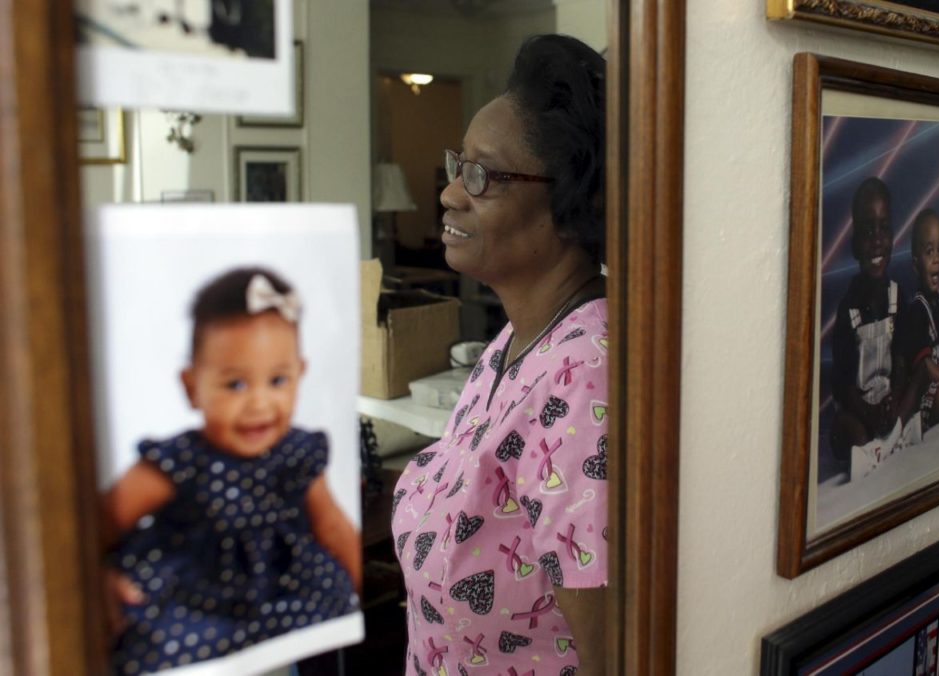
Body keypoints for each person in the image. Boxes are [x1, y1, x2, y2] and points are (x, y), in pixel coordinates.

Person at [390, 34, 609, 675]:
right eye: (458, 165)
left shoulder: (586, 378)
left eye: (481, 176)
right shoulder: (509, 348)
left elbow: (611, 656)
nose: (450, 194)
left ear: (568, 206)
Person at [103, 267, 361, 675]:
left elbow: (331, 525)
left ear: (300, 375)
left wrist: (353, 590)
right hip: (196, 599)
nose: (259, 403)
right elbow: (101, 521)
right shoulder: (183, 459)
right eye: (235, 385)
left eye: (277, 380)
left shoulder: (295, 451)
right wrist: (100, 576)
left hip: (280, 600)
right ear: (191, 386)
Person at [830, 177, 908, 466]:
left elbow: (900, 360)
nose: (876, 239)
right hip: (859, 409)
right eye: (867, 230)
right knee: (848, 430)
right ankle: (869, 450)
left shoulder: (897, 297)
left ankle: (891, 439)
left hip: (888, 404)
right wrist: (866, 411)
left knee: (910, 403)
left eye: (883, 228)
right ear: (854, 245)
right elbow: (842, 385)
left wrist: (896, 397)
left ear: (892, 237)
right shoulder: (847, 310)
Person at [900, 208, 939, 431]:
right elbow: (926, 366)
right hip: (926, 397)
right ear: (915, 265)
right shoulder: (917, 309)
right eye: (929, 252)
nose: (936, 259)